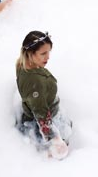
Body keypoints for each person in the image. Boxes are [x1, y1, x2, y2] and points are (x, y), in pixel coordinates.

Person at [15, 31, 72, 159]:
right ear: (30, 53)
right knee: (59, 155)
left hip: (39, 111)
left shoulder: (24, 64)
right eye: (43, 53)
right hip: (43, 124)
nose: (48, 57)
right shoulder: (34, 83)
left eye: (49, 52)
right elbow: (42, 117)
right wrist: (56, 141)